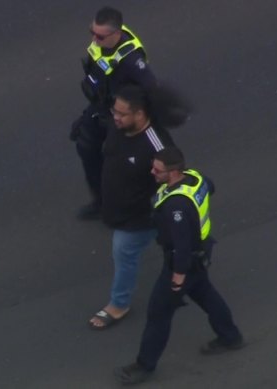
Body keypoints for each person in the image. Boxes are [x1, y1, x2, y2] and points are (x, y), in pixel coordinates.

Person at [114, 146, 244, 385]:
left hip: (182, 262)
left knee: (158, 313)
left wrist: (178, 276)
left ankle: (144, 365)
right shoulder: (195, 178)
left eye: (158, 170)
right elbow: (210, 187)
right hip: (200, 252)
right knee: (206, 295)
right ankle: (230, 336)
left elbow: (181, 245)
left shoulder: (177, 208)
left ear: (174, 172)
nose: (152, 172)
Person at [88, 85, 176, 330]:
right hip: (117, 210)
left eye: (122, 113)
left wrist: (156, 214)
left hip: (139, 218)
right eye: (114, 111)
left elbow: (172, 183)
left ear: (139, 114)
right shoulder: (118, 127)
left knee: (124, 253)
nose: (115, 117)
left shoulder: (157, 145)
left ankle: (119, 304)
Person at [71, 6, 157, 220]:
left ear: (116, 34)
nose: (94, 38)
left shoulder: (131, 59)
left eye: (100, 35)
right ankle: (100, 202)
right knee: (86, 147)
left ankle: (135, 206)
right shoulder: (103, 40)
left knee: (119, 162)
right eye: (92, 32)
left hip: (120, 115)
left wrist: (135, 118)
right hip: (100, 106)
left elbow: (150, 88)